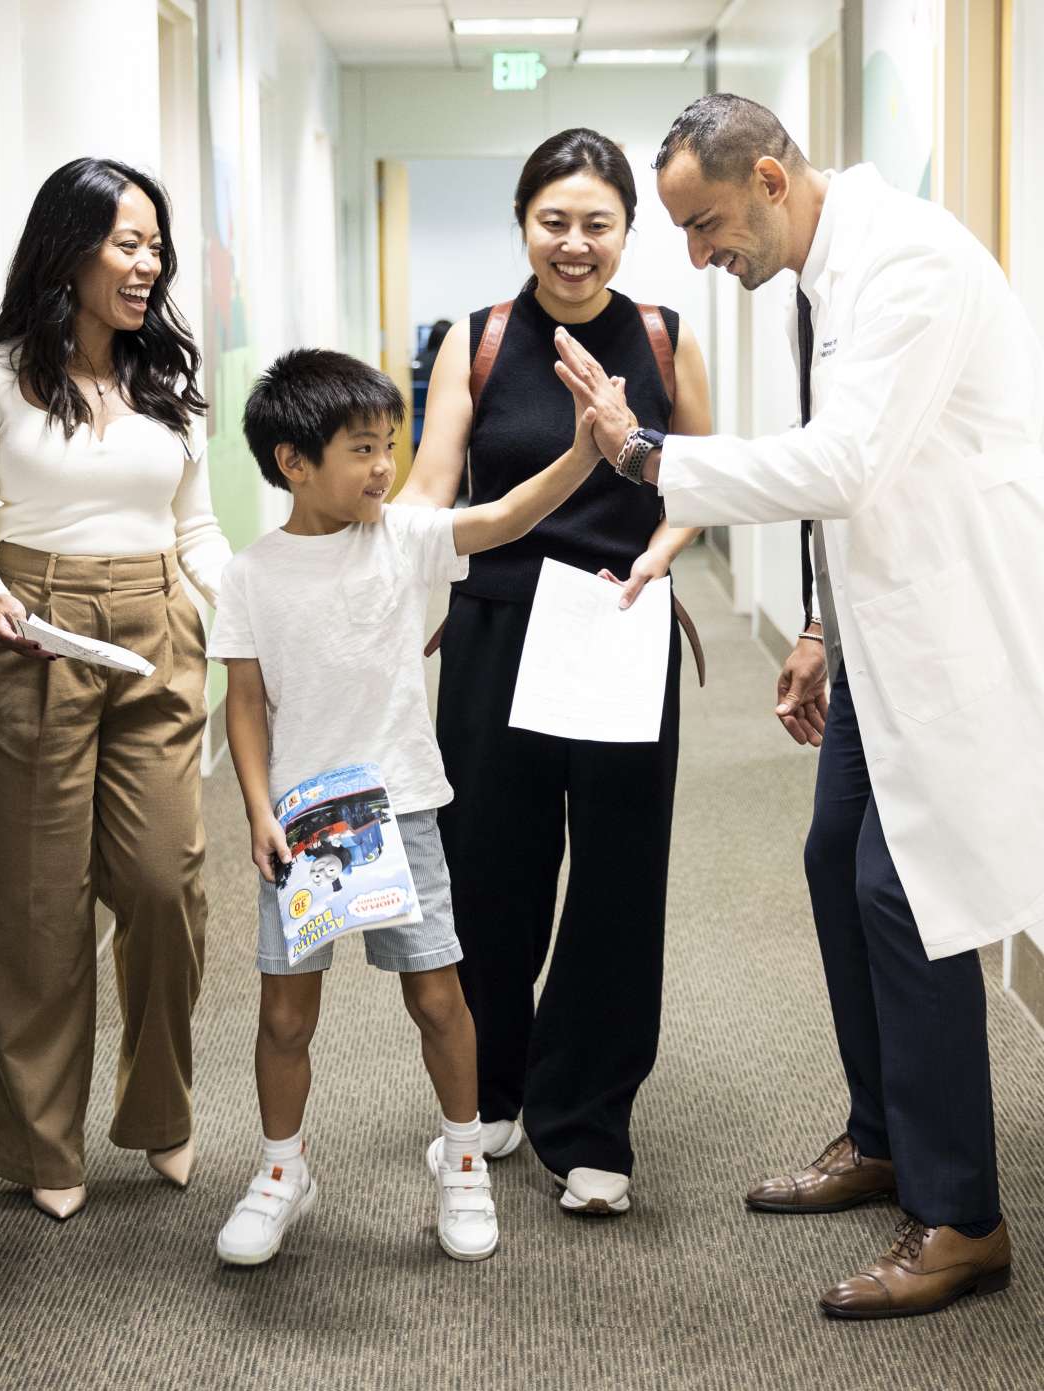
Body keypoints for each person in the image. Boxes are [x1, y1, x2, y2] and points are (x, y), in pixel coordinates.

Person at [554, 91, 1044, 1318]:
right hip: (879, 630)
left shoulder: (909, 263)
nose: (700, 255)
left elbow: (846, 461)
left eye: (706, 223)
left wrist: (646, 454)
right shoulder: (820, 278)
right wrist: (820, 622)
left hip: (953, 627)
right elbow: (847, 472)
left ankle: (961, 1216)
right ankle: (884, 1134)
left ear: (770, 178)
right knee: (839, 857)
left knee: (904, 889)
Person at [207, 346, 609, 1265]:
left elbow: (505, 517)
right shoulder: (252, 574)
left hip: (403, 811)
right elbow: (243, 703)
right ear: (294, 464)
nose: (385, 466)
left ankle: (463, 1157)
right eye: (362, 449)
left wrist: (586, 450)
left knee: (436, 996)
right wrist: (258, 810)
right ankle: (281, 1171)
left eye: (390, 444)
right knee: (284, 1015)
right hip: (302, 822)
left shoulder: (405, 535)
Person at [399, 127, 711, 1215]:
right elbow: (434, 485)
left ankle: (591, 1122)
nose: (575, 245)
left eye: (598, 224)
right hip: (495, 632)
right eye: (554, 222)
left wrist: (657, 562)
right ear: (524, 224)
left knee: (620, 882)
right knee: (489, 866)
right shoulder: (477, 339)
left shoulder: (665, 338)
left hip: (622, 630)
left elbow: (701, 488)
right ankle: (490, 1089)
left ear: (629, 229)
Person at [0, 158, 232, 1220]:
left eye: (155, 245)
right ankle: (41, 1139)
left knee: (168, 881)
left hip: (158, 629)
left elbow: (198, 525)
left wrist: (234, 615)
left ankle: (159, 1106)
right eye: (127, 241)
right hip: (32, 630)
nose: (147, 263)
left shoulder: (167, 374)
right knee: (38, 905)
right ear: (67, 248)